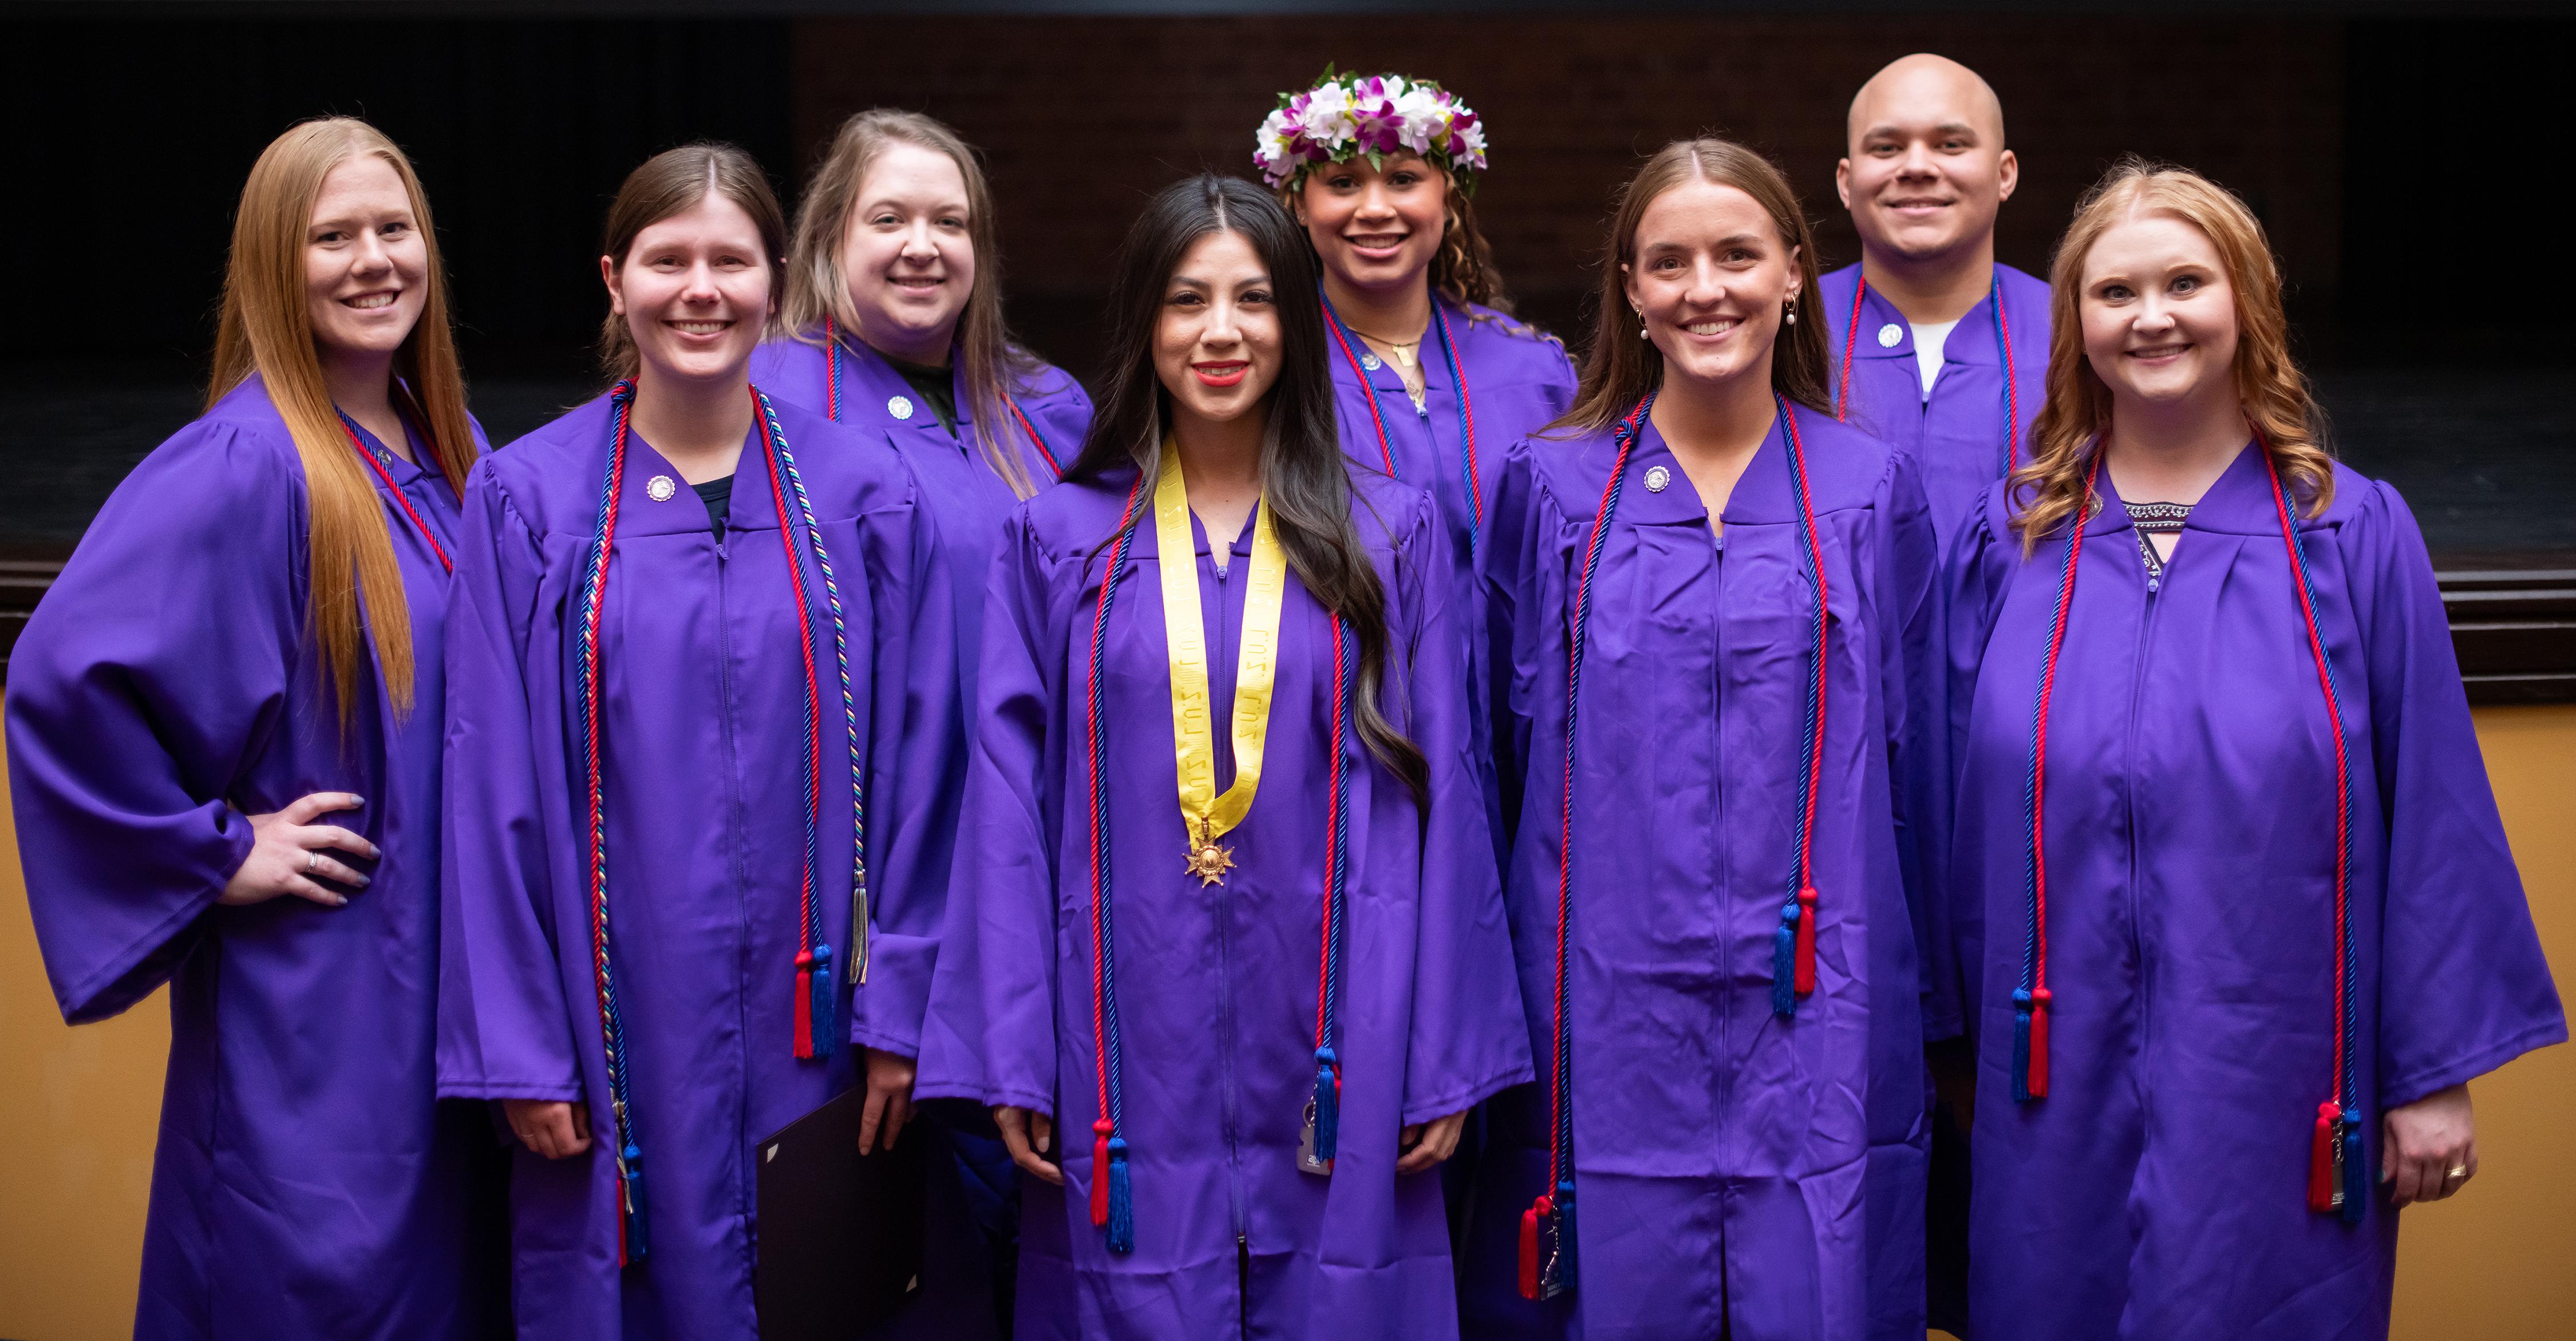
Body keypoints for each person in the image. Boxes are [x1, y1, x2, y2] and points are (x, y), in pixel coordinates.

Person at [1941, 160, 2565, 1340]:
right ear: (2076, 323)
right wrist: (1945, 1038)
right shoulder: (2014, 541)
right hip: (2047, 1066)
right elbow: (1950, 805)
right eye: (2115, 290)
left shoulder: (2351, 533)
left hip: (2279, 1068)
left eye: (2187, 280)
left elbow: (2432, 804)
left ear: (2250, 303)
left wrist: (2429, 1073)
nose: (2153, 315)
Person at [914, 174, 1530, 1339]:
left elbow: (1449, 791)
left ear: (1296, 320)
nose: (1222, 332)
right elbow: (1005, 813)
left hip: (1348, 1013)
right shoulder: (1057, 538)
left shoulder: (1389, 534)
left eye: (1254, 299)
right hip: (1121, 1026)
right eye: (1187, 299)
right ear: (1145, 321)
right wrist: (1014, 1051)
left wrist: (1445, 1053)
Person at [437, 143, 956, 1338]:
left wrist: (902, 1016)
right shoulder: (530, 500)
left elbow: (928, 766)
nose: (701, 289)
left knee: (824, 1288)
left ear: (779, 279)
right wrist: (520, 1045)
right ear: (615, 279)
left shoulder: (863, 493)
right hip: (611, 1018)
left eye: (732, 259)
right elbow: (488, 787)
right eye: (669, 260)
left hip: (820, 1019)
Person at [7, 117, 501, 1339]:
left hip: (444, 997)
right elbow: (63, 678)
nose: (372, 260)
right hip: (318, 1010)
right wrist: (217, 850)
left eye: (394, 230)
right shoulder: (245, 464)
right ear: (276, 264)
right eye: (332, 236)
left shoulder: (450, 448)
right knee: (310, 1287)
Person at [1461, 137, 1942, 1341]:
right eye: (1668, 262)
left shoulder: (1870, 485)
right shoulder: (1555, 489)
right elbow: (1501, 754)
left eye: (1737, 254)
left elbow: (1912, 764)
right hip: (1602, 1006)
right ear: (1630, 288)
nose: (1704, 288)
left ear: (1794, 273)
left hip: (1821, 1008)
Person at [749, 105, 1095, 1339]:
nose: (922, 246)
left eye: (950, 221)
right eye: (887, 217)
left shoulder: (1042, 409)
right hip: (873, 929)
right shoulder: (768, 407)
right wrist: (889, 982)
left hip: (1041, 905)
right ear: (827, 236)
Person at [1257, 69, 1575, 567]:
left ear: (1447, 198)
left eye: (1404, 179)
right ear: (1299, 203)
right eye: (1343, 183)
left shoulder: (1533, 371)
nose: (1376, 208)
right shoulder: (1269, 366)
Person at [1824, 52, 2046, 547]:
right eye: (1886, 148)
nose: (1917, 166)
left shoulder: (2077, 332)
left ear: (2005, 173)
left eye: (1950, 144)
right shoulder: (1785, 329)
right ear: (1846, 181)